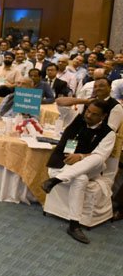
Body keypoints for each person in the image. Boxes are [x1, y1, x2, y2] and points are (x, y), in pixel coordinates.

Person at [41, 101, 115, 244]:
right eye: (88, 111)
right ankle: (74, 225)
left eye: (94, 114)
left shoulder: (108, 133)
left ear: (103, 116)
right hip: (63, 164)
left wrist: (80, 156)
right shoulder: (76, 118)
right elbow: (61, 102)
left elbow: (101, 156)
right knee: (80, 179)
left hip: (88, 167)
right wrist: (84, 101)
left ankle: (55, 181)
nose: (89, 115)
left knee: (99, 159)